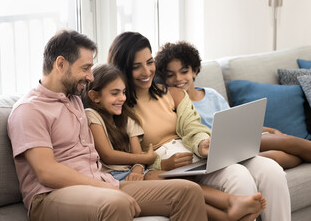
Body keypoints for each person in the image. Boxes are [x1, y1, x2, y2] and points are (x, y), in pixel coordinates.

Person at [7, 30, 209, 221]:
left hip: (100, 184)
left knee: (187, 192)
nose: (90, 77)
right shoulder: (29, 110)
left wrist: (130, 171)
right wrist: (105, 187)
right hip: (50, 195)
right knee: (116, 203)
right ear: (60, 64)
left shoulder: (75, 98)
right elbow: (47, 172)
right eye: (85, 68)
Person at [108, 31, 291, 221]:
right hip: (165, 167)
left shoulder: (174, 94)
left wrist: (202, 143)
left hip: (196, 157)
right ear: (122, 69)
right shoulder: (118, 107)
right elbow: (129, 157)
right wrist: (162, 164)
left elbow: (193, 128)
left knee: (272, 170)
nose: (146, 72)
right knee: (238, 176)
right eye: (137, 66)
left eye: (149, 62)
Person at [84, 63, 266, 221]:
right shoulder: (91, 115)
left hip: (137, 170)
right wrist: (148, 162)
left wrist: (140, 165)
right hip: (114, 177)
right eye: (115, 93)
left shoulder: (128, 117)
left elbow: (138, 155)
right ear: (94, 96)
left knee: (251, 163)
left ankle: (231, 204)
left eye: (123, 92)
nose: (122, 98)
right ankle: (227, 212)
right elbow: (108, 155)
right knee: (174, 183)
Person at [154, 41, 311, 169]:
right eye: (170, 75)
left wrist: (268, 130)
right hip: (216, 149)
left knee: (287, 146)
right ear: (164, 79)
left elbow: (235, 123)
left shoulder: (211, 94)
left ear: (194, 71)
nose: (178, 79)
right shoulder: (174, 104)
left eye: (183, 71)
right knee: (275, 155)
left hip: (238, 137)